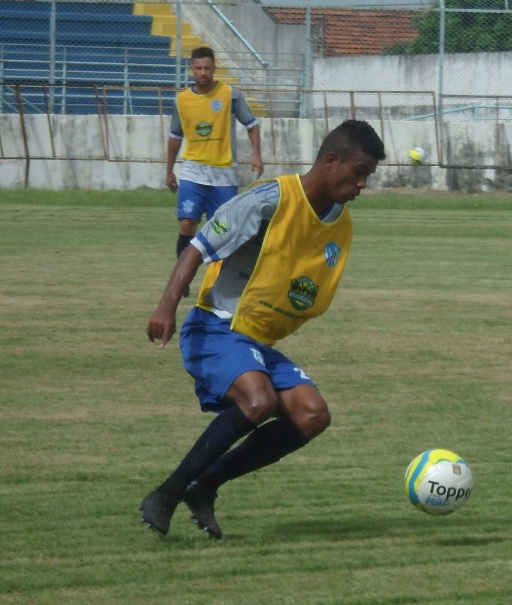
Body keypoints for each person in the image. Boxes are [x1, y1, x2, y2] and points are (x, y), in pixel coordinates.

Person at [140, 119, 386, 539]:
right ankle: (166, 493)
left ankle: (206, 486)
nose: (362, 185)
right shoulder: (270, 200)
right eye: (359, 172)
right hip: (217, 327)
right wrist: (166, 306)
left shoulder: (338, 224)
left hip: (255, 339)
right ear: (331, 161)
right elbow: (198, 248)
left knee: (312, 414)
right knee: (259, 401)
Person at [166, 46, 264, 297]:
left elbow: (252, 125)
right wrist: (169, 170)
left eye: (207, 68)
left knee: (225, 233)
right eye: (198, 68)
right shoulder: (181, 100)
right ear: (191, 69)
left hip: (224, 175)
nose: (203, 72)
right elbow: (175, 136)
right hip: (193, 173)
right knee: (187, 224)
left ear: (214, 68)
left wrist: (256, 155)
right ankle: (182, 281)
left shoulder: (230, 95)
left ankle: (223, 287)